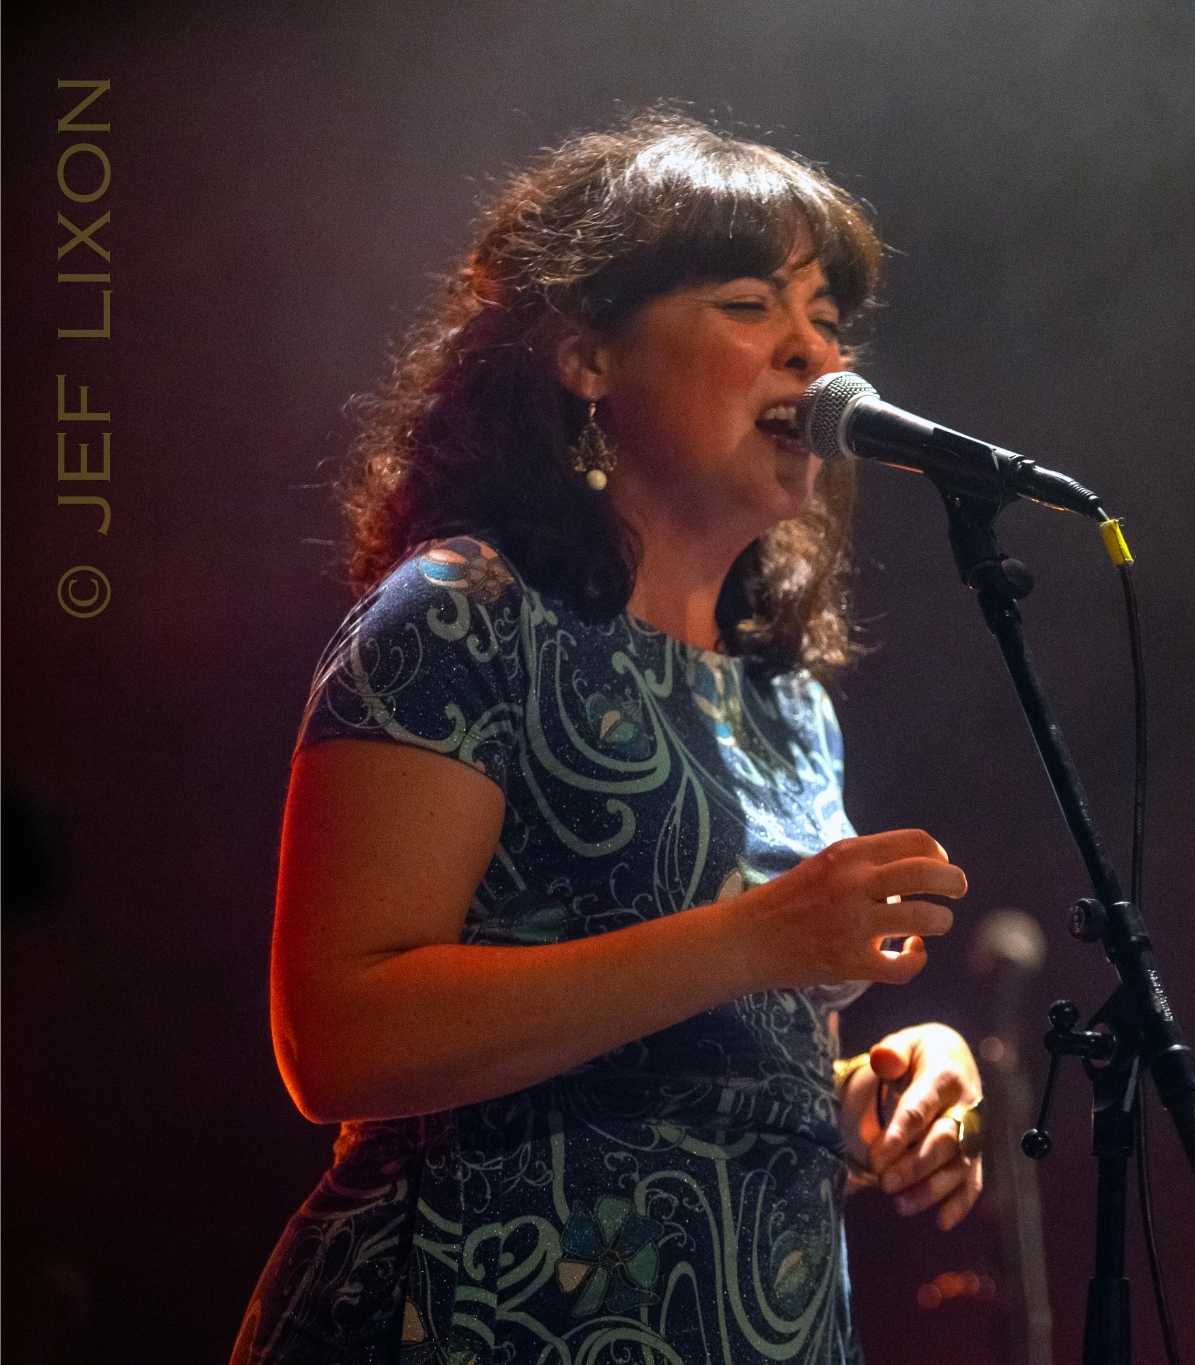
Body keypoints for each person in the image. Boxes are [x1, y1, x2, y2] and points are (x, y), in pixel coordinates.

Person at [232, 109, 985, 1365]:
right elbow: (339, 1036)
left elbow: (705, 1061)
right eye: (751, 304)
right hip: (473, 1312)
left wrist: (874, 1089)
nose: (812, 349)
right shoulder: (467, 616)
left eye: (827, 319)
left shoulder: (783, 694)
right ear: (586, 357)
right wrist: (753, 937)